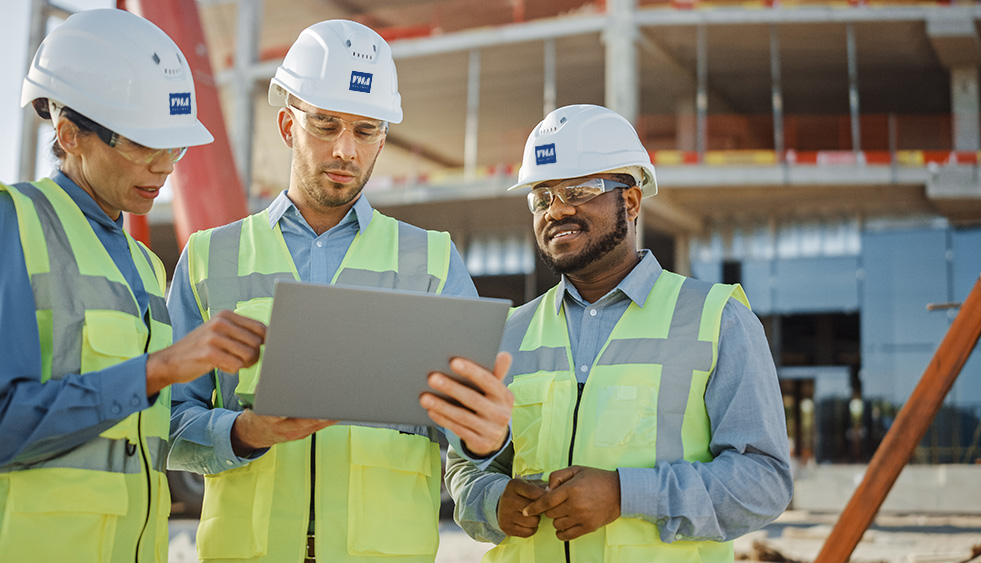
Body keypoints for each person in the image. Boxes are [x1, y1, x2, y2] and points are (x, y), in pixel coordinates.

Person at [166, 19, 513, 562]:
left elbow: (472, 436)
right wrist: (245, 432)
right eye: (326, 125)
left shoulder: (433, 262)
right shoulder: (211, 258)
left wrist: (488, 432)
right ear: (287, 125)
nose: (347, 151)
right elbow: (164, 422)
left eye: (366, 130)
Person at [445, 104, 793, 562]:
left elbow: (763, 482)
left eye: (580, 189)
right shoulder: (508, 334)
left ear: (630, 202)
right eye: (542, 196)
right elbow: (465, 465)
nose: (558, 209)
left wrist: (626, 494)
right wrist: (493, 501)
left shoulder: (718, 319)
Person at [0, 9, 268, 563]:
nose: (165, 166)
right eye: (145, 145)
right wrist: (160, 370)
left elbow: (144, 435)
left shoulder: (147, 266)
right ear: (69, 133)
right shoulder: (15, 225)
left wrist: (248, 430)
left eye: (175, 147)